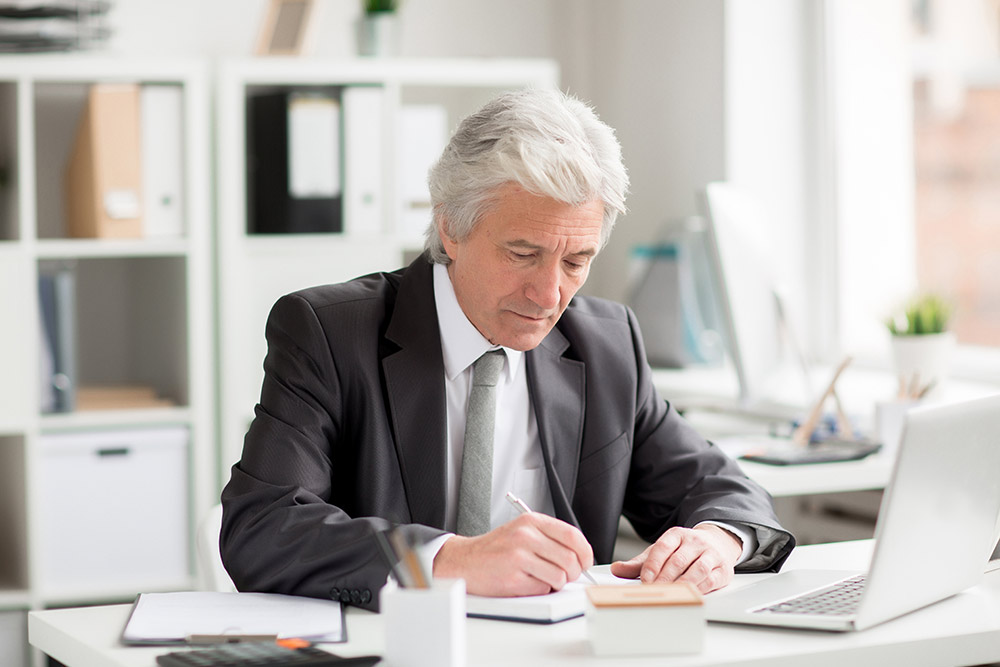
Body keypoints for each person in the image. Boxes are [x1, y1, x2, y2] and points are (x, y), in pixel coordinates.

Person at [220, 88, 794, 611]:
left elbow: (719, 486)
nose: (550, 296)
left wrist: (718, 539)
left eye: (576, 262)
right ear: (450, 227)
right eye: (522, 253)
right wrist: (448, 561)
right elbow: (263, 527)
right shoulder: (327, 332)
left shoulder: (606, 343)